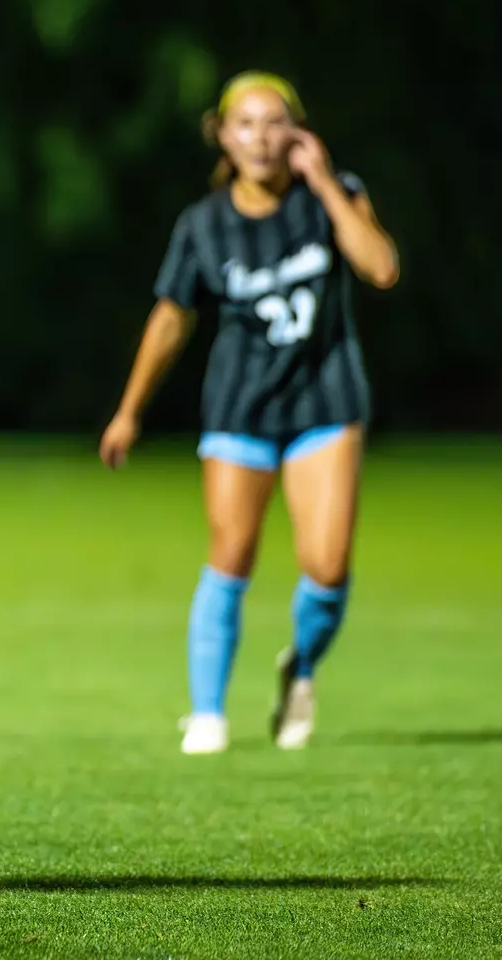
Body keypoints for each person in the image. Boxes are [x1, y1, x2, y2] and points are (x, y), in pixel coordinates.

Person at [99, 71, 399, 755]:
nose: (260, 138)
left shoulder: (334, 197)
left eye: (274, 124)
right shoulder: (204, 225)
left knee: (326, 565)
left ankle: (302, 664)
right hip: (240, 407)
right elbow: (172, 319)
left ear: (297, 132)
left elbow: (381, 268)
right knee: (231, 552)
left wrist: (324, 183)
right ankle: (207, 713)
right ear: (223, 135)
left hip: (326, 400)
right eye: (246, 124)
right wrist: (129, 411)